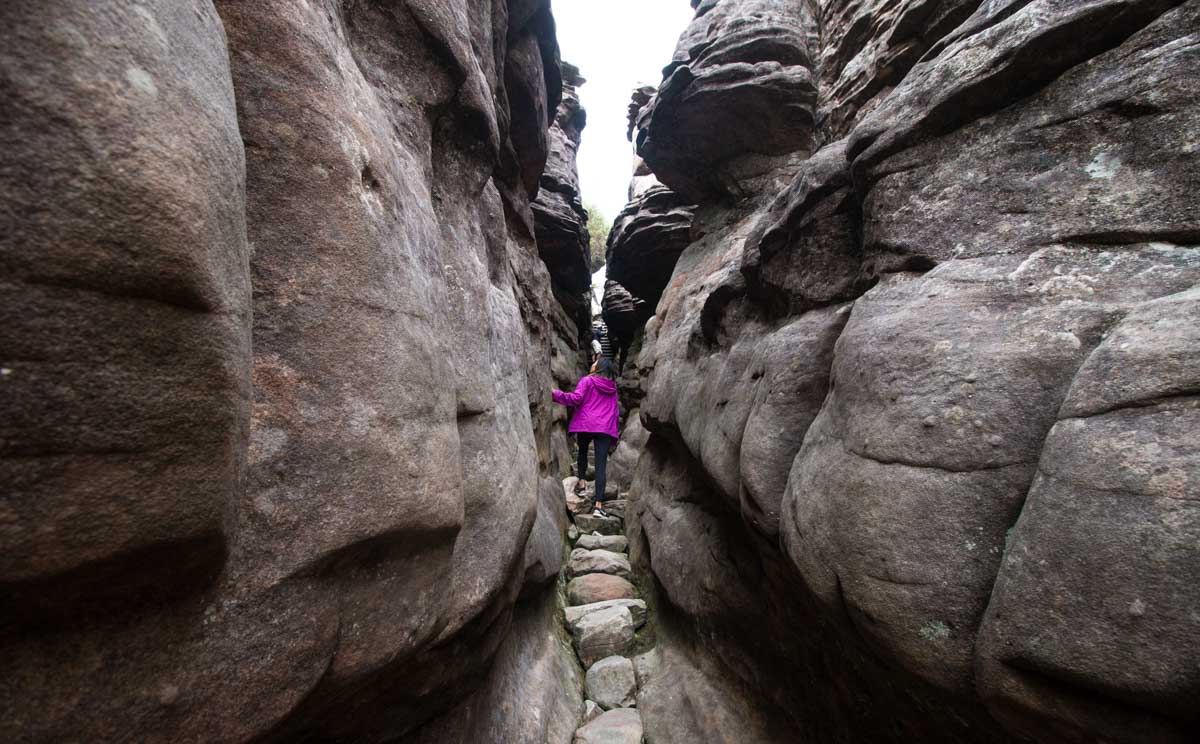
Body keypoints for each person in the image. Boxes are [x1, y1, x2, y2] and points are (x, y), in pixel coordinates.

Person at [552, 357, 620, 517]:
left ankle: (582, 485)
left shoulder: (587, 381)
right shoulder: (613, 388)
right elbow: (615, 412)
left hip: (586, 423)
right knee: (601, 466)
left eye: (595, 363)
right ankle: (598, 506)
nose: (592, 364)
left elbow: (576, 399)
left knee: (582, 452)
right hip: (604, 428)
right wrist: (614, 435)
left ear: (599, 367)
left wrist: (555, 394)